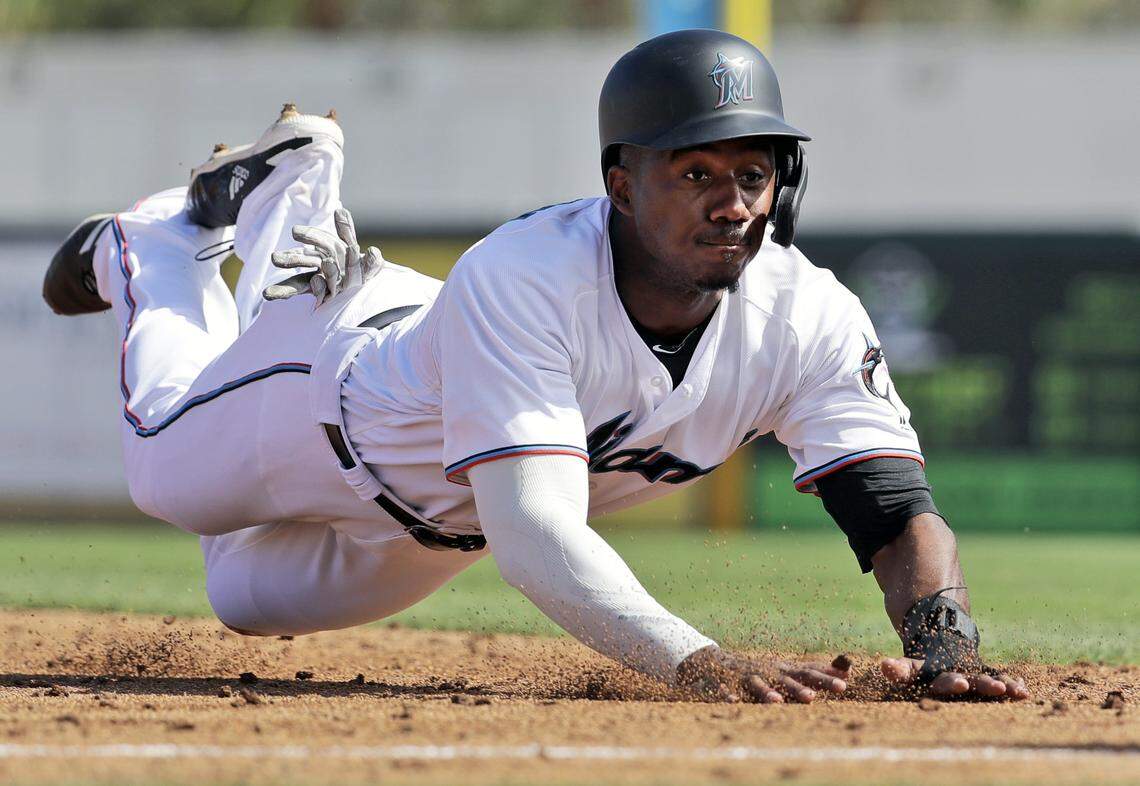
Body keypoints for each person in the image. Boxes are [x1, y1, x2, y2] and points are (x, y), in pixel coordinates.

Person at [43, 29, 1026, 703]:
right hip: (326, 403)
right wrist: (700, 664)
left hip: (433, 529)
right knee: (163, 476)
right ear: (619, 184)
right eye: (693, 173)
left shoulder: (808, 316)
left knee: (243, 604)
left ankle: (291, 221)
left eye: (752, 173)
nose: (730, 202)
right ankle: (160, 250)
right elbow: (537, 538)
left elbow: (895, 511)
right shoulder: (532, 274)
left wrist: (944, 639)